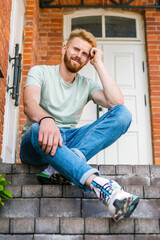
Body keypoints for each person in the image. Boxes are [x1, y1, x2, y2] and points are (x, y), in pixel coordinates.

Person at [20, 29, 139, 222]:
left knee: (123, 114)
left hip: (67, 142)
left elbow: (117, 102)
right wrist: (46, 120)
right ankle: (101, 185)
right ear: (64, 48)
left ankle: (62, 166)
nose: (80, 56)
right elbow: (30, 104)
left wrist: (98, 63)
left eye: (85, 53)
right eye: (76, 49)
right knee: (36, 129)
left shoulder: (86, 84)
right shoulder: (40, 71)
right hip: (36, 144)